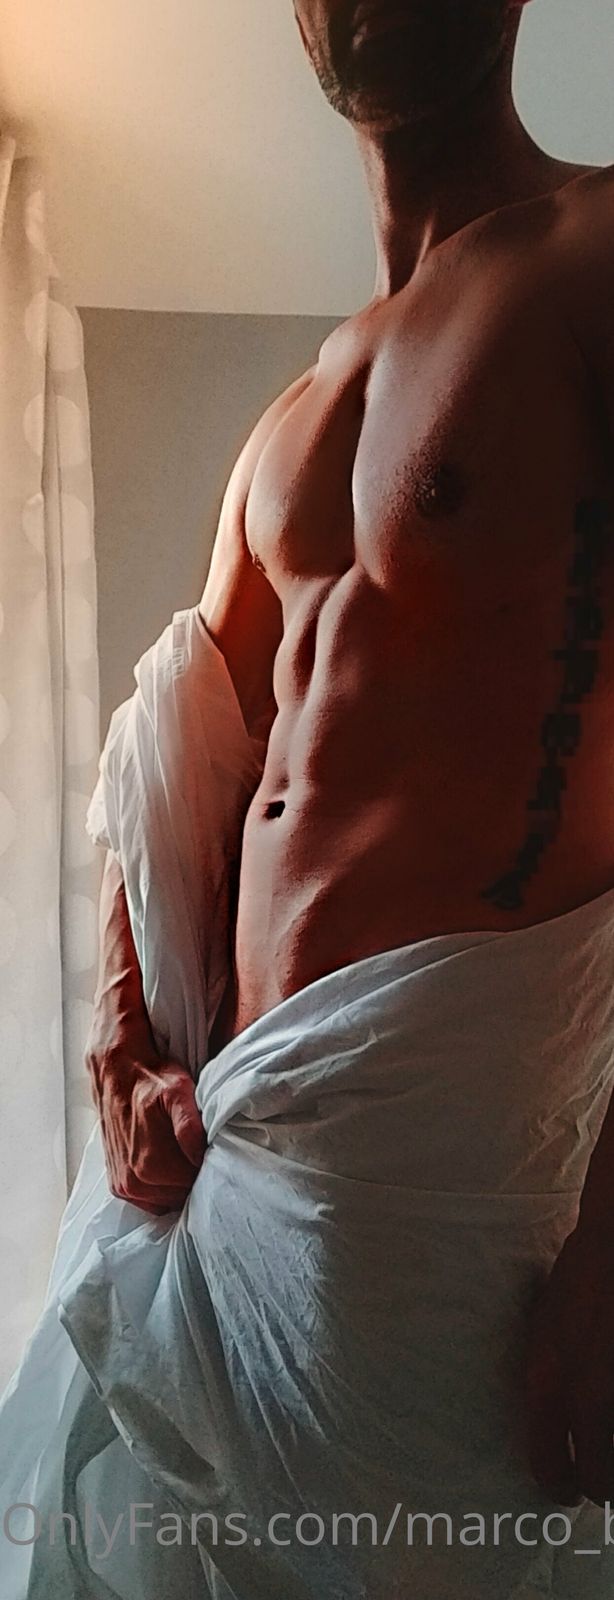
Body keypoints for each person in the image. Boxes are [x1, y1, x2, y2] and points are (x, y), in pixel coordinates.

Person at [84, 0, 614, 1583]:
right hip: (224, 1177)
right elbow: (171, 758)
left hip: (449, 1167)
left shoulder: (595, 258)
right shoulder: (287, 422)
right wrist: (120, 1040)